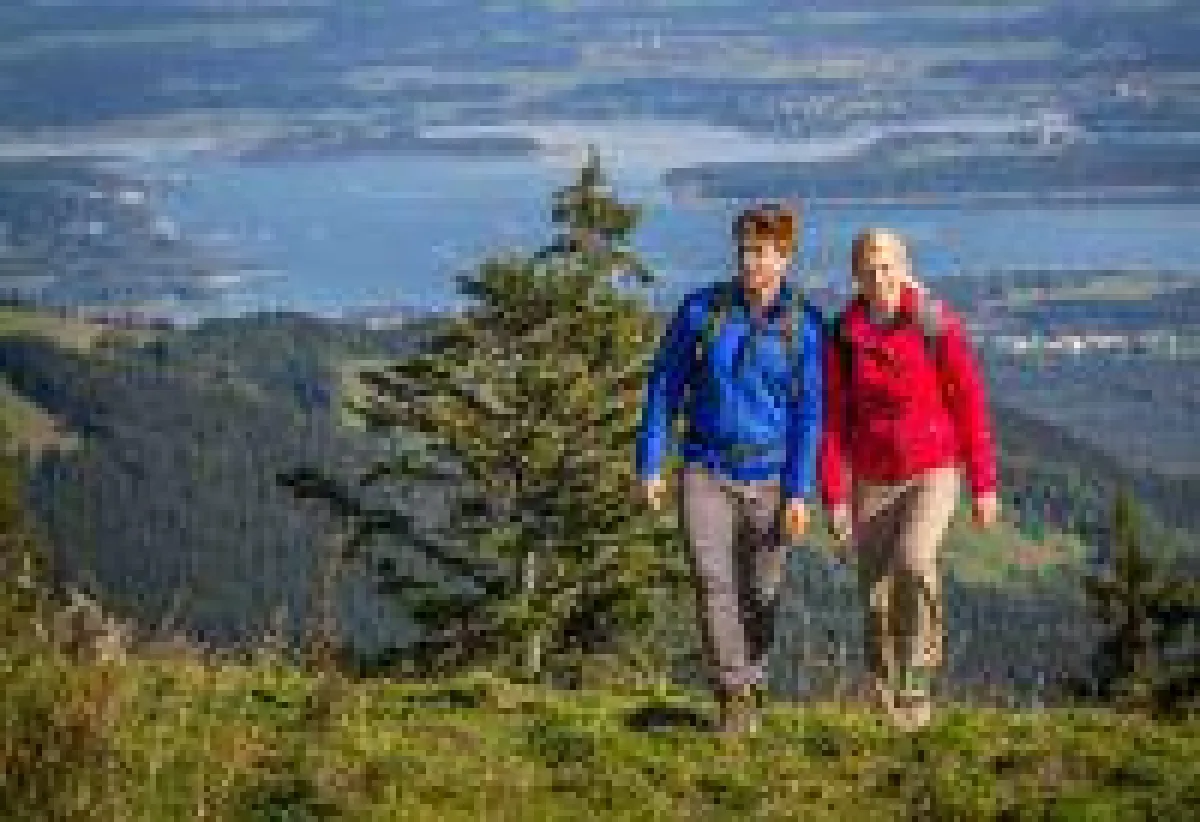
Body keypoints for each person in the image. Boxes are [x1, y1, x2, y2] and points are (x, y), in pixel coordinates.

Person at [635, 202, 824, 734]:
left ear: (785, 258)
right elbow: (664, 387)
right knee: (713, 583)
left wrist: (799, 493)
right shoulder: (702, 311)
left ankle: (754, 674)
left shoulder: (804, 326)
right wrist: (651, 462)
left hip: (772, 478)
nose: (753, 263)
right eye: (746, 251)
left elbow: (810, 415)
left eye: (765, 253)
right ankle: (733, 694)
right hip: (705, 469)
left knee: (761, 592)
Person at [819, 228, 999, 729]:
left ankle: (917, 677)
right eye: (869, 268)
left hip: (933, 469)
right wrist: (833, 496)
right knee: (874, 595)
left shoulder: (935, 325)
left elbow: (970, 405)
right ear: (855, 275)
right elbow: (832, 422)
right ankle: (883, 688)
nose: (880, 278)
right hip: (871, 478)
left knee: (915, 561)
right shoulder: (842, 337)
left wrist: (984, 485)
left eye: (888, 266)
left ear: (904, 266)